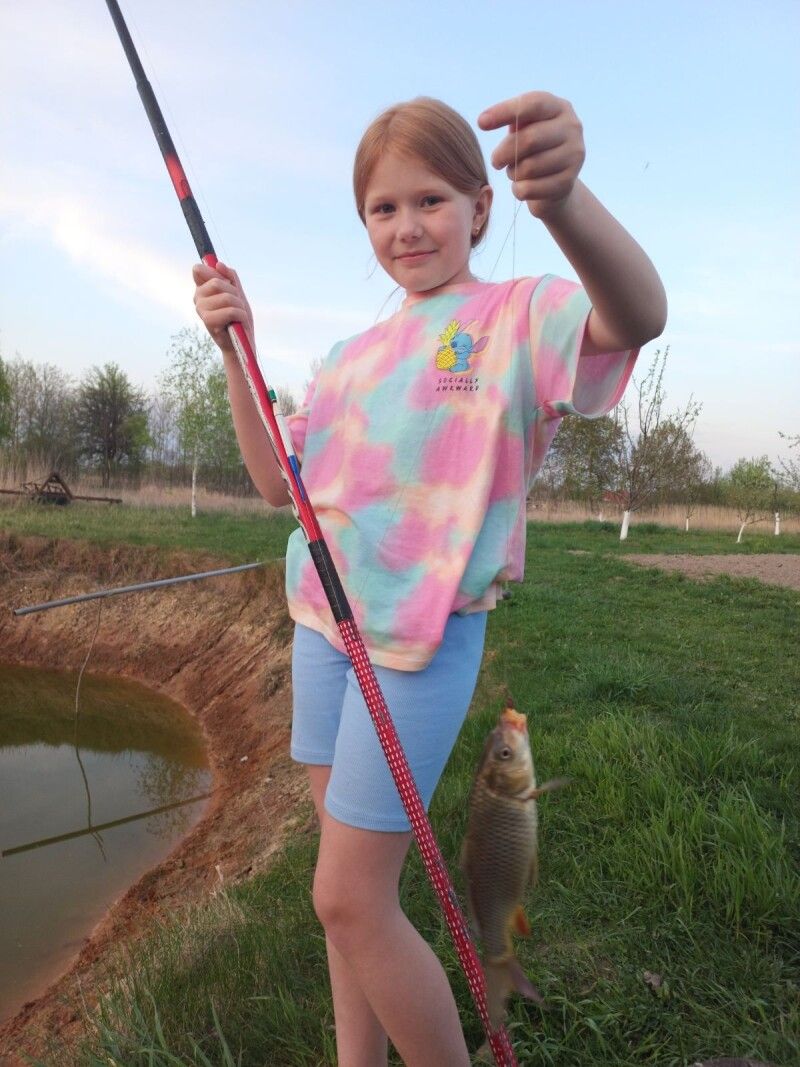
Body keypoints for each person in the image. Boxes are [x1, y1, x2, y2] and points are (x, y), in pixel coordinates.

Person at [193, 92, 666, 1067]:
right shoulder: (346, 359)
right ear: (362, 220)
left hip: (419, 640)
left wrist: (566, 200)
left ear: (480, 207)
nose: (406, 226)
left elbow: (636, 315)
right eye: (381, 207)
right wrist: (231, 354)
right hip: (323, 627)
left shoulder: (516, 317)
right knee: (347, 896)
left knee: (345, 894)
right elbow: (276, 480)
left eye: (430, 199)